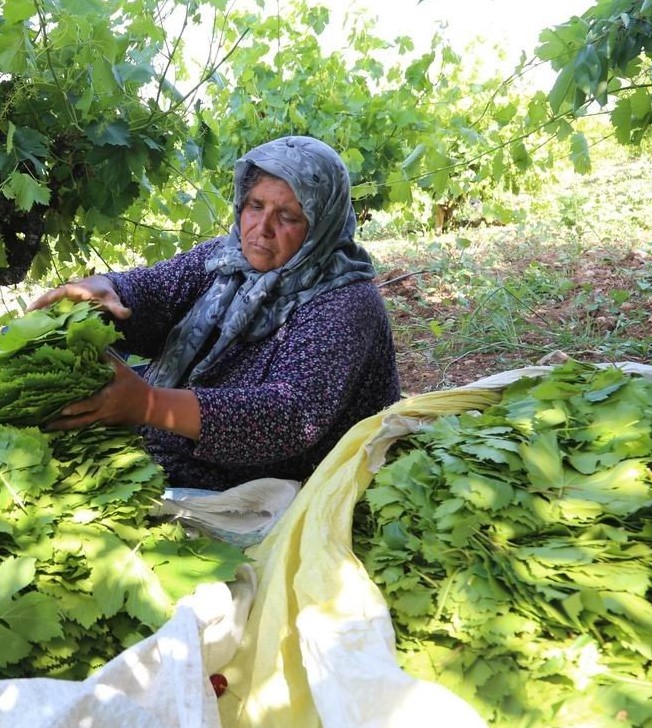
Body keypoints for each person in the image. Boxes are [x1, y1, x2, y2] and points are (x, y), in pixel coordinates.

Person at [29, 135, 401, 491]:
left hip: (274, 482)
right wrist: (108, 289)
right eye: (256, 206)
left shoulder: (345, 303)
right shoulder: (226, 258)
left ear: (322, 224)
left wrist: (149, 404)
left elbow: (288, 417)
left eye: (287, 216)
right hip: (185, 454)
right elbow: (158, 292)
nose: (262, 229)